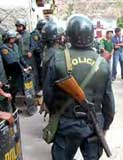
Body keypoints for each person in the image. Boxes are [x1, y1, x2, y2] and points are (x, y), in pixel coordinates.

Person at [43, 15, 115, 160]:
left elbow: (48, 96)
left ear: (68, 35)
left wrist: (56, 114)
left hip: (66, 123)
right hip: (94, 125)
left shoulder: (57, 59)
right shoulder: (102, 63)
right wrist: (105, 125)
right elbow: (109, 103)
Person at [0, 30, 31, 109]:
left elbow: (20, 58)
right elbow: (12, 61)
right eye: (12, 38)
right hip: (10, 73)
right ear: (8, 38)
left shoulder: (15, 46)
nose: (14, 39)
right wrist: (23, 68)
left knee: (19, 88)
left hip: (17, 71)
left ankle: (22, 104)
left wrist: (26, 65)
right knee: (11, 90)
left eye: (14, 37)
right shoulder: (4, 48)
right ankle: (13, 107)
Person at [30, 19, 48, 93]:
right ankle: (39, 87)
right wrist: (42, 52)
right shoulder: (35, 34)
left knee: (42, 70)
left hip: (40, 54)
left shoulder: (40, 33)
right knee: (38, 71)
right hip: (36, 56)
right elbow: (36, 47)